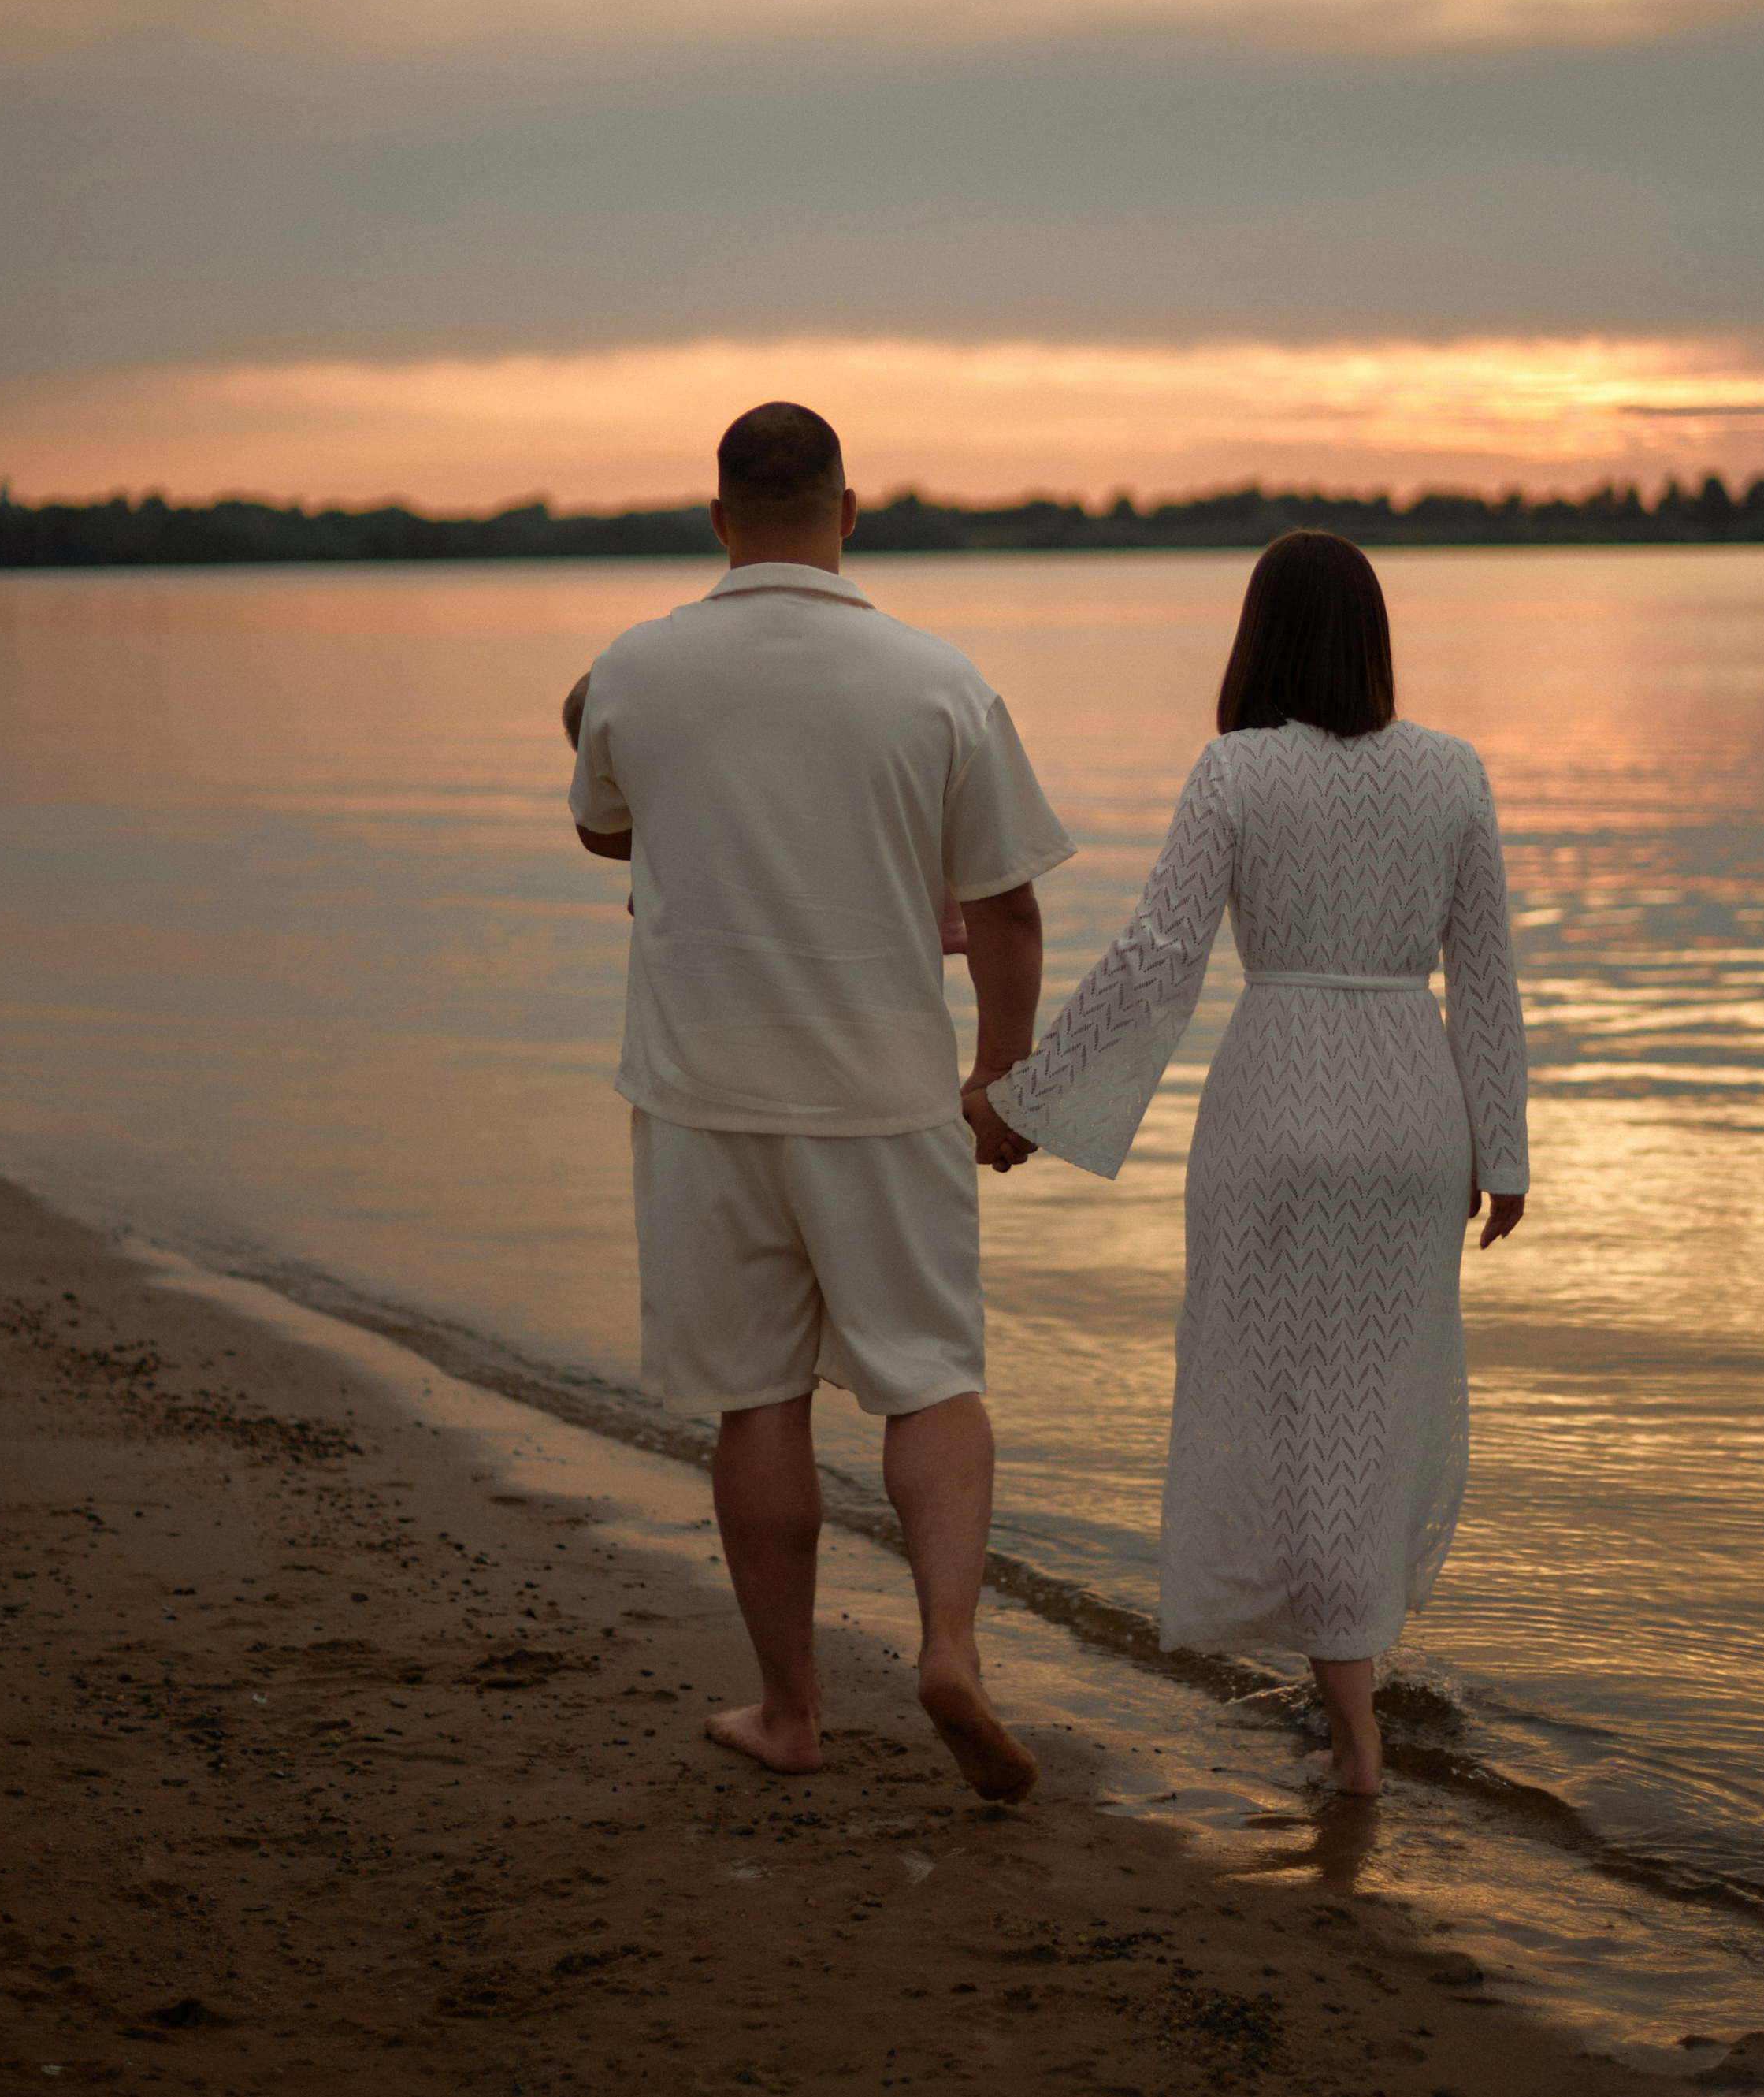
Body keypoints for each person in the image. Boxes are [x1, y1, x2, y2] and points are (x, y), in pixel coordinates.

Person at [561, 402, 1072, 1798]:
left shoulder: (634, 665)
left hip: (701, 1092)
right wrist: (1001, 1070)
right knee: (931, 1377)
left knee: (756, 1398)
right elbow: (1008, 907)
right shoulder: (937, 681)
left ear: (718, 519)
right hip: (881, 1091)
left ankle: (790, 1713)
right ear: (850, 516)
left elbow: (606, 820)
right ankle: (950, 1645)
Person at [976, 530, 1528, 1798]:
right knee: (1380, 1401)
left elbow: (1161, 952)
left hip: (1277, 1095)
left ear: (1259, 636)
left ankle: (1352, 1730)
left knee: (1282, 1400)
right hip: (1410, 1105)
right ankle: (1354, 1695)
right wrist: (1506, 1150)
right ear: (1374, 637)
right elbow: (1487, 976)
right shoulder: (1455, 771)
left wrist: (1025, 1099)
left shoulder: (1234, 771)